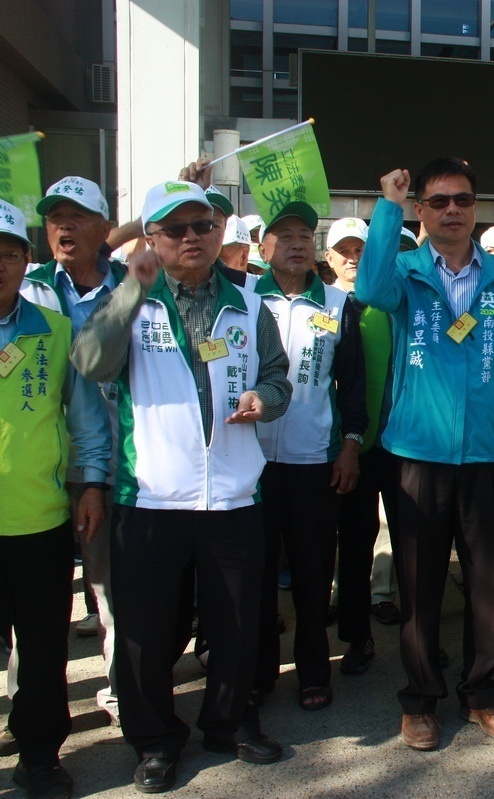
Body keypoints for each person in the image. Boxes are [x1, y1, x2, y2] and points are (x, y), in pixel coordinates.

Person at [71, 180, 292, 792]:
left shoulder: (250, 305)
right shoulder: (128, 300)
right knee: (143, 631)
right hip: (149, 497)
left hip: (233, 495)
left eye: (202, 226)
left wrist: (264, 399)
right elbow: (91, 364)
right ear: (152, 240)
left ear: (220, 232)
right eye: (174, 230)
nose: (191, 238)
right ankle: (154, 740)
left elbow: (277, 378)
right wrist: (132, 290)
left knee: (237, 623)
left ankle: (230, 722)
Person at [355, 159, 494, 751]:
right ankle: (419, 700)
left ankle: (483, 694)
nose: (452, 210)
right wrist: (386, 208)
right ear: (422, 212)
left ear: (476, 206)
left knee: (486, 581)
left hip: (489, 456)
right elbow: (367, 290)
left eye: (462, 199)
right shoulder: (406, 271)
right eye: (438, 202)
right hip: (416, 454)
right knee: (420, 584)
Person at [1, 200, 110, 799]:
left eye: (8, 254)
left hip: (37, 520)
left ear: (26, 262)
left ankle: (40, 755)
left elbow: (88, 420)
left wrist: (91, 483)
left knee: (43, 650)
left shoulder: (57, 331)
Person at [251, 203, 367, 711]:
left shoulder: (340, 304)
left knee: (314, 573)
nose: (297, 243)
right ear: (263, 248)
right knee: (254, 575)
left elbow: (351, 385)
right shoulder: (241, 299)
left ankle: (315, 671)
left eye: (305, 235)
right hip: (249, 463)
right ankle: (259, 671)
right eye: (284, 235)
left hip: (314, 460)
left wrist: (349, 445)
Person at [19, 176, 124, 728]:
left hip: (111, 468)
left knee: (111, 590)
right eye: (55, 216)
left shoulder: (135, 289)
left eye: (78, 215)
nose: (63, 225)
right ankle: (26, 708)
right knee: (33, 607)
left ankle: (120, 691)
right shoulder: (28, 289)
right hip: (33, 475)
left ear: (104, 229)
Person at [324, 215, 405, 675]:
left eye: (364, 251)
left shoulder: (398, 303)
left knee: (412, 546)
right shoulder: (329, 306)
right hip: (348, 447)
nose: (355, 259)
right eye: (346, 250)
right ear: (330, 258)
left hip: (401, 445)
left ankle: (420, 636)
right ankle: (358, 637)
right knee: (354, 545)